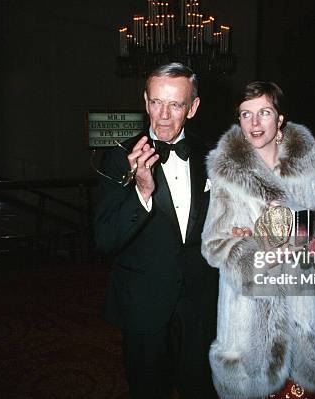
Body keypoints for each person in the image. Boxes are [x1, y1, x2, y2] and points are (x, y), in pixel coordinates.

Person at [201, 81, 315, 399]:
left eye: (264, 113)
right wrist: (254, 250)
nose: (254, 124)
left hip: (302, 312)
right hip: (246, 323)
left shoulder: (309, 169)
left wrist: (297, 222)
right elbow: (213, 244)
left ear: (280, 118)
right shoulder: (226, 175)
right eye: (246, 114)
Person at [94, 63, 219, 399]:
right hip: (144, 304)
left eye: (175, 104)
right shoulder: (118, 158)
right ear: (145, 100)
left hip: (200, 304)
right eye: (155, 102)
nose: (163, 116)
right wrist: (142, 192)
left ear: (192, 108)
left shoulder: (214, 156)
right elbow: (104, 240)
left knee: (201, 389)